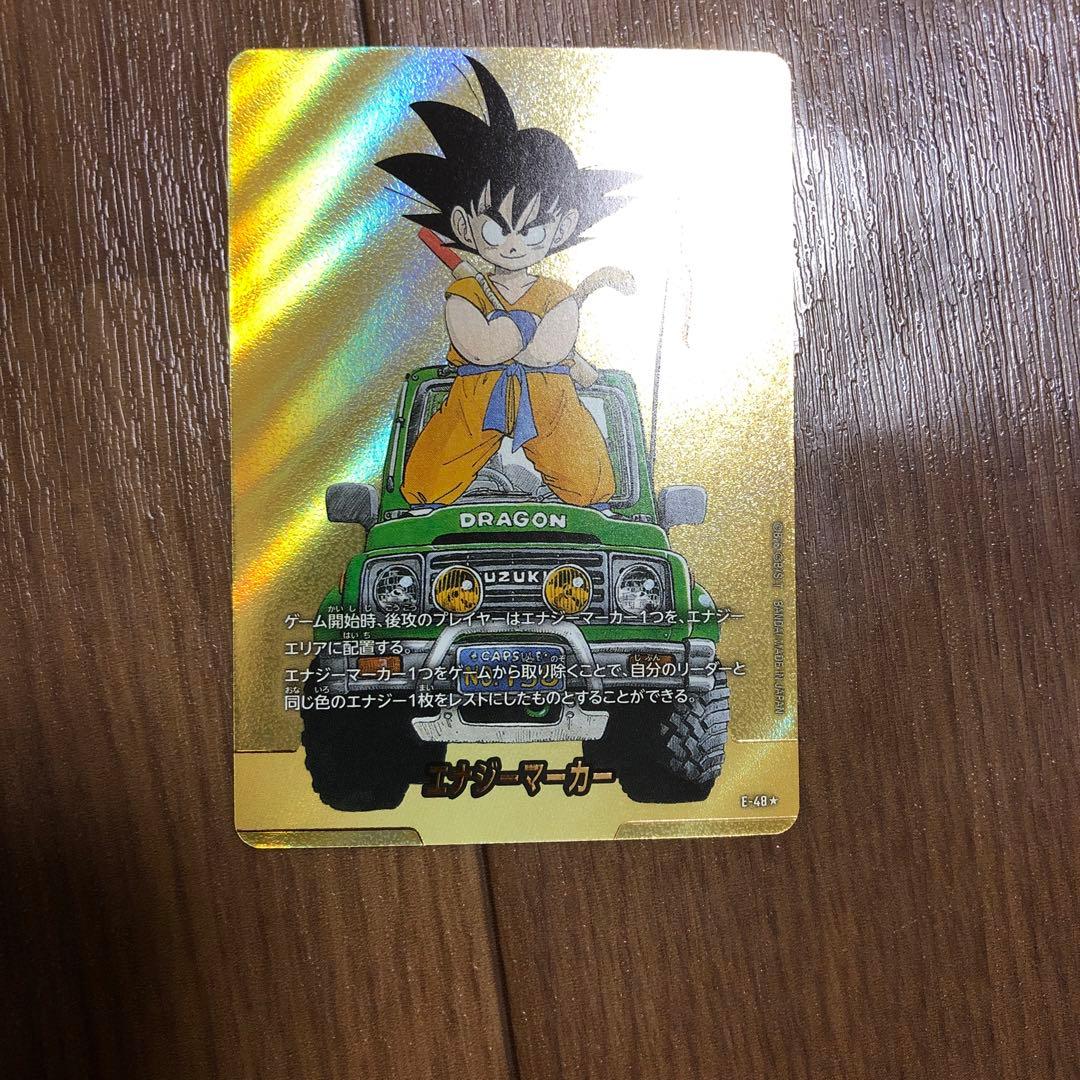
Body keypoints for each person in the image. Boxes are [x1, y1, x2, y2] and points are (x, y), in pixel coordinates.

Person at [376, 57, 632, 509]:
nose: (513, 243)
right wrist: (523, 330)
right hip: (474, 400)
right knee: (426, 486)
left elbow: (549, 350)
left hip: (551, 401)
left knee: (590, 485)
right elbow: (482, 346)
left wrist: (551, 341)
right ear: (464, 225)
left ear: (561, 227)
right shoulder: (467, 292)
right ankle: (429, 501)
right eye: (496, 229)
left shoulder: (555, 294)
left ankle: (592, 499)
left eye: (530, 230)